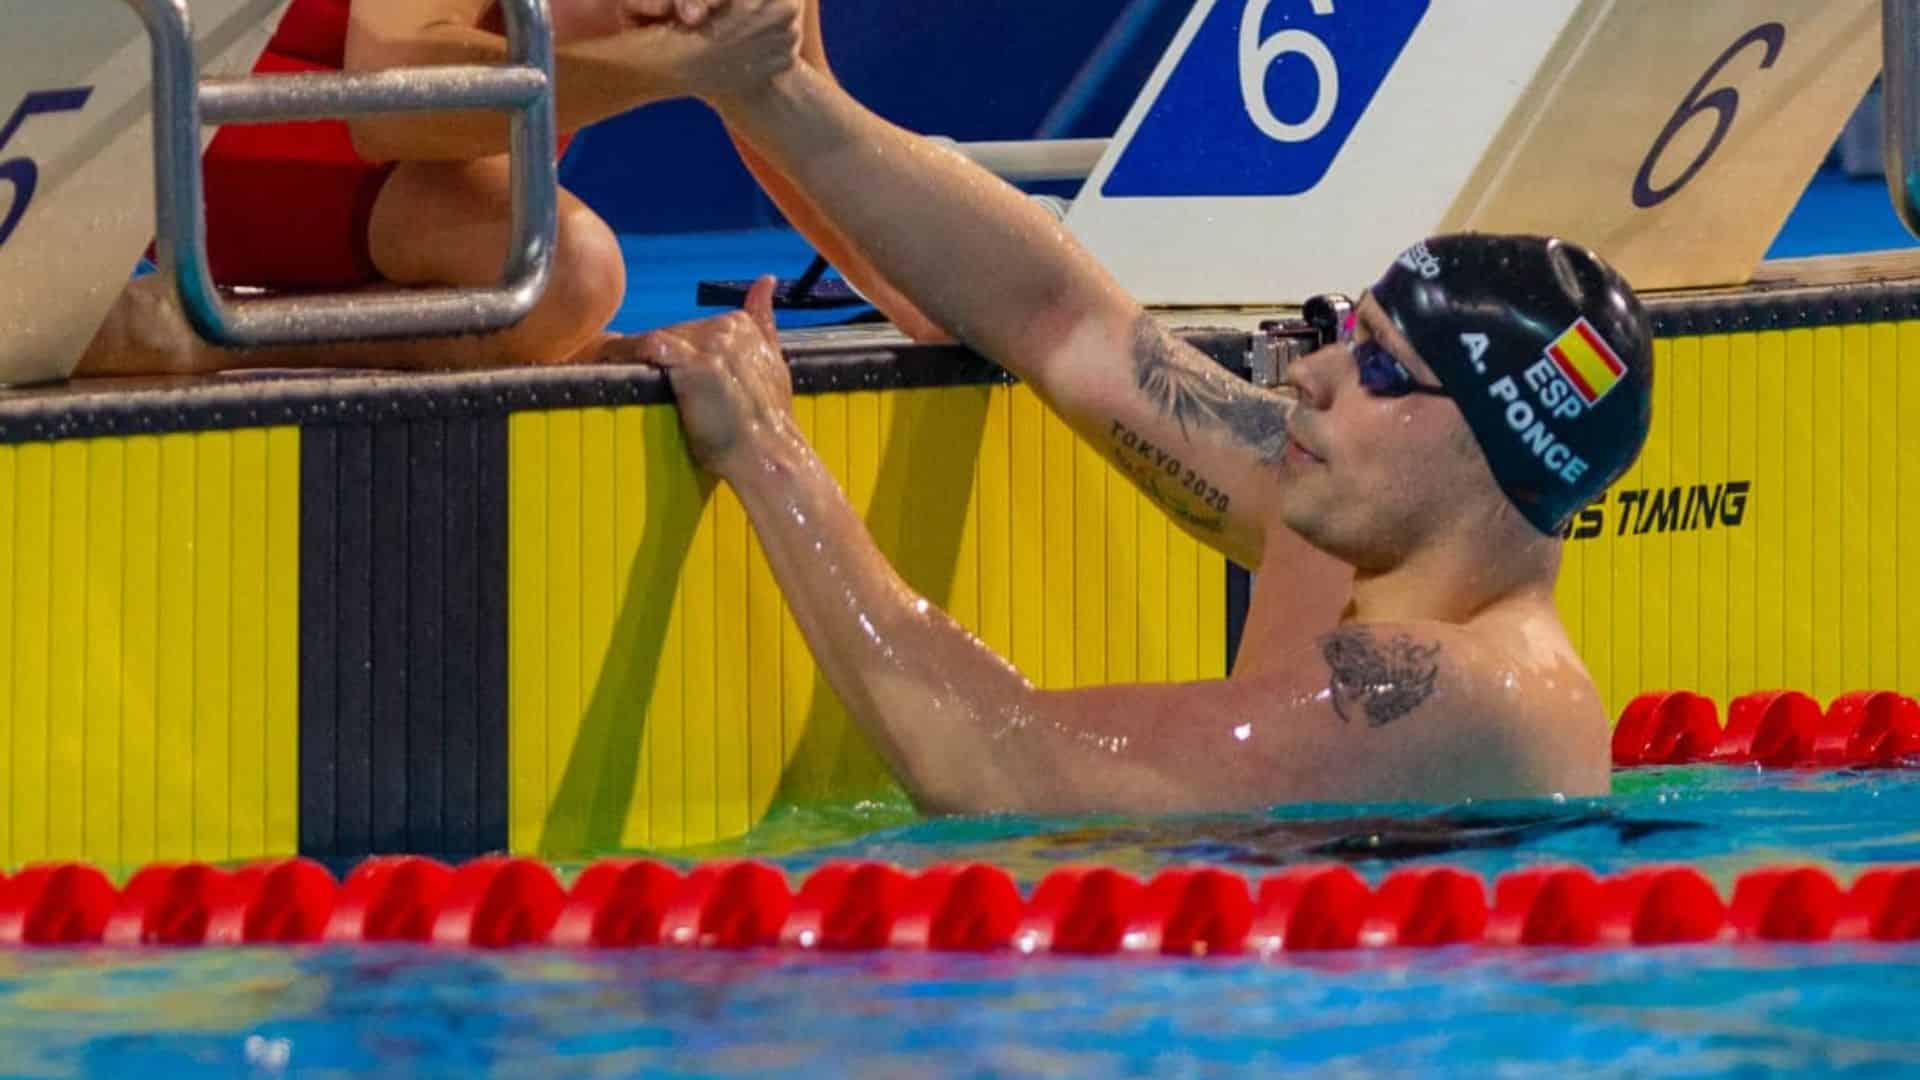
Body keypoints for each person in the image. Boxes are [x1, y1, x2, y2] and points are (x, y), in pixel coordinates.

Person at [632, 59, 1656, 814]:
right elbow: (1064, 320)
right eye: (1349, 334)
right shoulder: (1341, 525)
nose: (1311, 374)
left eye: (1381, 367)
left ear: (1490, 449)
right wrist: (768, 87)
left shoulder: (1469, 696)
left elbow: (1002, 766)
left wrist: (766, 454)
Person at [76, 0, 805, 376]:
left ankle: (199, 328)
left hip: (385, 136)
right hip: (212, 101)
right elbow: (395, 102)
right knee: (566, 271)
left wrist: (910, 296)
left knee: (555, 283)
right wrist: (680, 64)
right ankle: (193, 333)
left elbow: (800, 98)